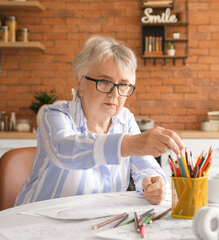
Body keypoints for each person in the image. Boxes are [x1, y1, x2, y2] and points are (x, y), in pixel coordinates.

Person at [15, 35, 184, 206]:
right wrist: (128, 144)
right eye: (104, 82)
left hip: (97, 221)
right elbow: (64, 149)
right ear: (80, 82)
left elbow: (145, 165)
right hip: (38, 220)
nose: (115, 94)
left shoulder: (125, 120)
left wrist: (154, 182)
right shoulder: (54, 115)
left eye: (123, 85)